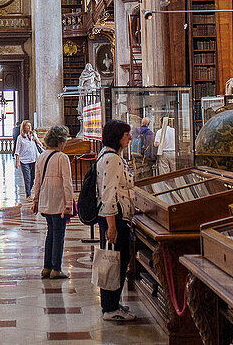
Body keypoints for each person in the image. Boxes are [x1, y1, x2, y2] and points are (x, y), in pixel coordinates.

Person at [96, 119, 136, 322]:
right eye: (126, 134)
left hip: (113, 216)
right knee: (115, 261)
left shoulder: (107, 155)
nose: (129, 138)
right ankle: (110, 308)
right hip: (114, 217)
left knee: (116, 260)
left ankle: (112, 303)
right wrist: (112, 226)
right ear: (118, 137)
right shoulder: (112, 159)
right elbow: (108, 193)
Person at [31, 125, 74, 280]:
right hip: (58, 201)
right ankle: (56, 268)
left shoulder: (42, 156)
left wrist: (35, 200)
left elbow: (37, 181)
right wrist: (68, 204)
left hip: (45, 200)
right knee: (59, 235)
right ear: (60, 142)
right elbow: (67, 183)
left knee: (50, 233)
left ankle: (46, 267)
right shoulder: (62, 157)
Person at [14, 119, 42, 200]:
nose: (30, 127)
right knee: (27, 177)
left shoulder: (34, 135)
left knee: (33, 177)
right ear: (24, 127)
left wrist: (36, 140)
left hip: (34, 159)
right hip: (24, 160)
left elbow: (40, 145)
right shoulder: (20, 137)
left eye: (30, 126)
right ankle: (28, 195)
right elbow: (17, 150)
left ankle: (29, 190)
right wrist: (17, 162)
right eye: (28, 126)